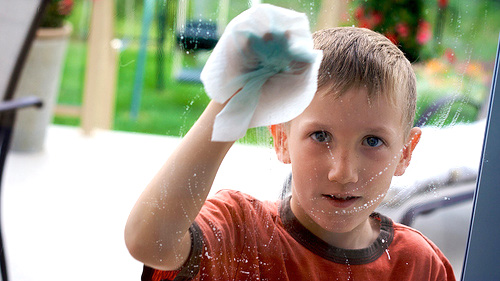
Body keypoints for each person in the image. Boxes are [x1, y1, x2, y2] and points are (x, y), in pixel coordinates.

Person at [125, 27, 456, 281]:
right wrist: (228, 107)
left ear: (405, 152)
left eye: (372, 142)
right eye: (320, 136)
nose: (343, 173)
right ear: (282, 140)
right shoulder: (239, 231)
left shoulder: (418, 265)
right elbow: (148, 241)